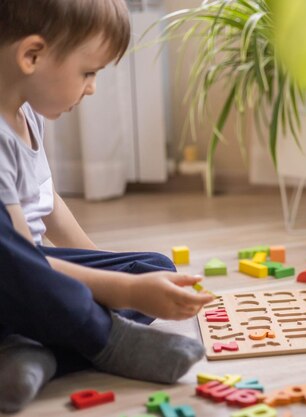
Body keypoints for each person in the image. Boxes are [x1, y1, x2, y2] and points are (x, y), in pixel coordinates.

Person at [0, 0, 214, 412]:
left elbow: (49, 204)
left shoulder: (28, 114)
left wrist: (107, 267)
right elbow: (23, 264)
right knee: (125, 286)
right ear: (32, 55)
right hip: (16, 278)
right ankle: (103, 339)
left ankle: (32, 353)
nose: (92, 87)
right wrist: (123, 290)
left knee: (153, 269)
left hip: (36, 274)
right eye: (88, 72)